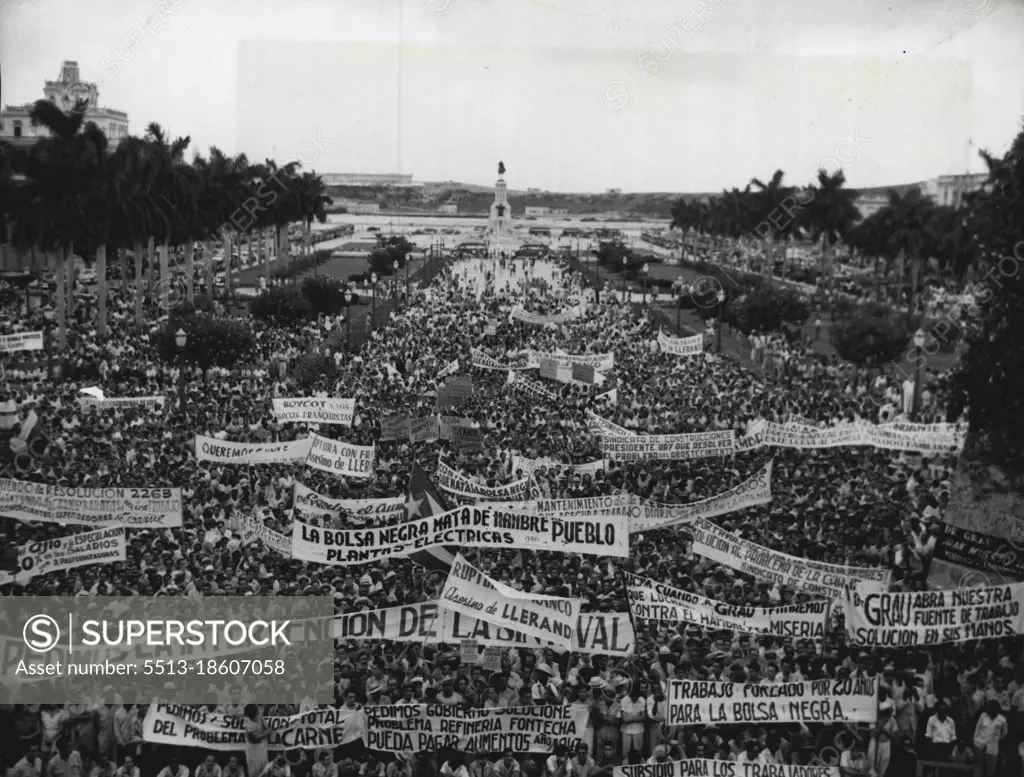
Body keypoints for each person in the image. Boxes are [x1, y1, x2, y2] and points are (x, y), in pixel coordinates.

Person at [973, 700, 1008, 777]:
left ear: (995, 708)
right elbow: (977, 729)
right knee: (979, 767)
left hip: (993, 745)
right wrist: (976, 740)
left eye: (989, 707)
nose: (987, 709)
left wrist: (997, 739)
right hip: (980, 744)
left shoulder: (1002, 720)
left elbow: (1005, 733)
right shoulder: (983, 716)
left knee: (991, 769)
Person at [243, 704, 270, 777]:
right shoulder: (248, 723)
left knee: (264, 770)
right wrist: (265, 733)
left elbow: (268, 728)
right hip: (252, 750)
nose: (258, 712)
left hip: (262, 748)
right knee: (253, 772)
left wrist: (263, 734)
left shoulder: (260, 717)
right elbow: (254, 739)